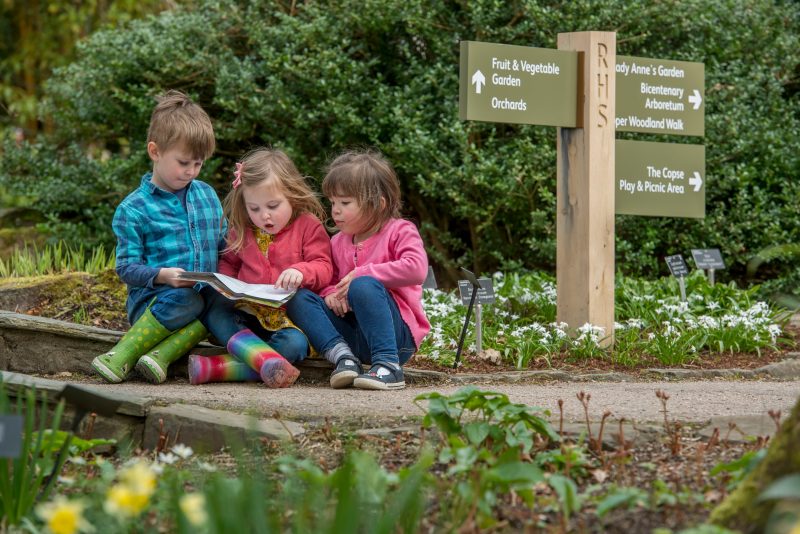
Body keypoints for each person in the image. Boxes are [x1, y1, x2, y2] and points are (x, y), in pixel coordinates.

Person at [91, 90, 227, 384]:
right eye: (183, 163)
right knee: (187, 299)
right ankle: (120, 354)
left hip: (203, 298)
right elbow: (126, 268)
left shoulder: (207, 195)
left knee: (223, 306)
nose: (191, 171)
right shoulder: (133, 209)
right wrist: (164, 276)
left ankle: (159, 357)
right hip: (157, 302)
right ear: (155, 151)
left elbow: (224, 244)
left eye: (198, 164)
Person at [187, 148, 333, 388]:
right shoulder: (243, 229)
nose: (264, 216)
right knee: (214, 312)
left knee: (295, 345)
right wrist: (226, 285)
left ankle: (219, 368)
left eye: (273, 206)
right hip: (247, 313)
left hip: (287, 319)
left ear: (292, 196)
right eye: (254, 208)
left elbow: (324, 266)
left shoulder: (308, 225)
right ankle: (264, 362)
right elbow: (230, 263)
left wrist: (301, 271)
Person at [286, 149, 430, 390]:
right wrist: (331, 294)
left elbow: (416, 269)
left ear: (378, 204)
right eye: (332, 202)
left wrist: (364, 273)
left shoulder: (400, 231)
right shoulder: (338, 241)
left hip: (395, 340)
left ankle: (389, 367)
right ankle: (344, 358)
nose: (336, 210)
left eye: (345, 202)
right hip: (354, 336)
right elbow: (327, 281)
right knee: (299, 298)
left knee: (363, 285)